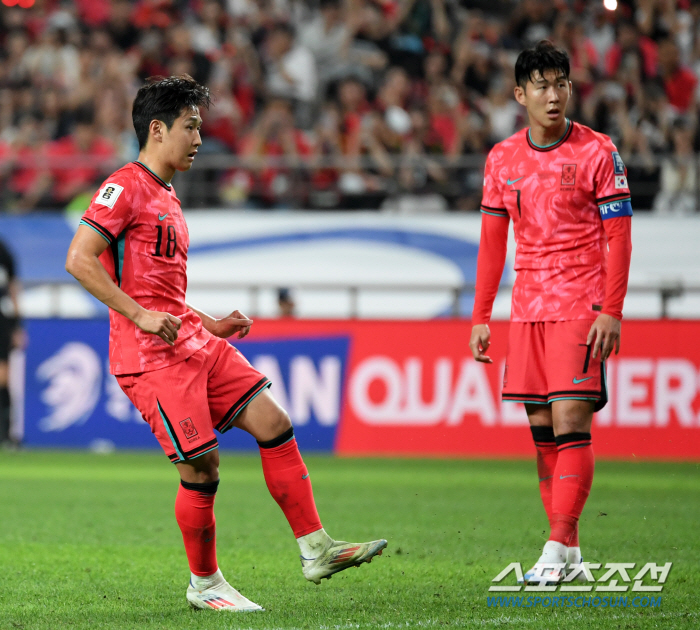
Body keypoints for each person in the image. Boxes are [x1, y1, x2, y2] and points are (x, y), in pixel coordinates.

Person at [65, 75, 386, 612]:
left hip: (192, 341)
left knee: (274, 422)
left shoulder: (167, 194)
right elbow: (78, 260)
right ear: (157, 129)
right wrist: (140, 316)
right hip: (150, 358)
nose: (198, 139)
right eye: (190, 127)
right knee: (202, 470)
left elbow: (160, 290)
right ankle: (205, 585)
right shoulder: (124, 186)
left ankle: (316, 548)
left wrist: (208, 322)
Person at [469, 41, 632, 584]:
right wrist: (480, 317)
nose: (553, 95)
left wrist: (611, 309)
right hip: (527, 309)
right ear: (520, 94)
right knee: (543, 431)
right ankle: (573, 554)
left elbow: (619, 236)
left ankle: (554, 547)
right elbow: (493, 243)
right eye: (540, 85)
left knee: (569, 420)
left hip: (581, 303)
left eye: (561, 83)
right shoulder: (502, 158)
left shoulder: (597, 152)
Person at [0, 238, 22, 448]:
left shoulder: (3, 250)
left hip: (1, 321)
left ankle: (5, 434)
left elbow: (14, 287)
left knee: (2, 379)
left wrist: (17, 325)